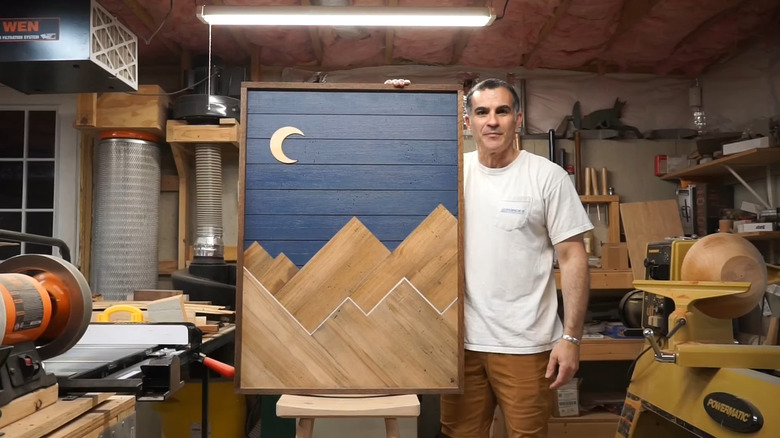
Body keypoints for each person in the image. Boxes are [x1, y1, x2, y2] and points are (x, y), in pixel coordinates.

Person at [388, 78, 592, 437]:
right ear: (468, 122)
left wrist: (571, 338)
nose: (492, 121)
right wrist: (397, 102)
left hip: (527, 346)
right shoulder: (450, 174)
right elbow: (397, 165)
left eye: (502, 111)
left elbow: (573, 258)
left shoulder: (547, 177)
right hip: (460, 345)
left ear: (518, 118)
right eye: (482, 112)